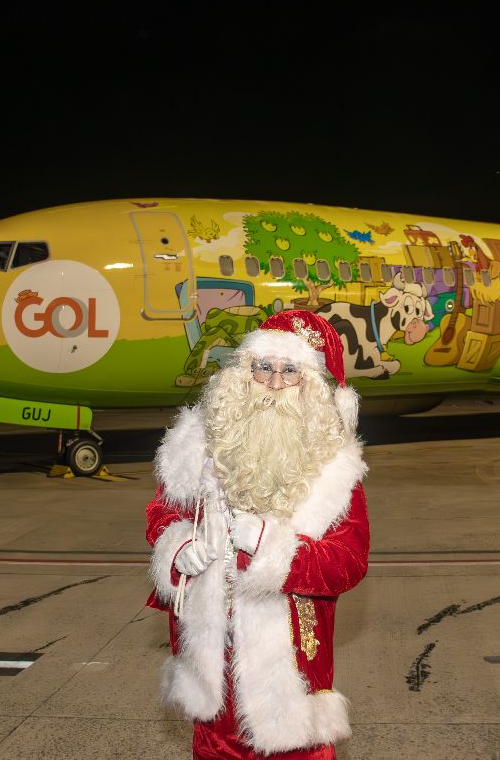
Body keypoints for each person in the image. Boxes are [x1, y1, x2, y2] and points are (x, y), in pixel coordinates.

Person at [145, 310, 371, 759]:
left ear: (310, 383)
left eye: (289, 371)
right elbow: (161, 515)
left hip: (289, 665)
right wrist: (179, 550)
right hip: (212, 656)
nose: (272, 382)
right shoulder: (196, 446)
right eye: (262, 367)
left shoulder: (336, 468)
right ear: (242, 372)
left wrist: (272, 545)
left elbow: (348, 561)